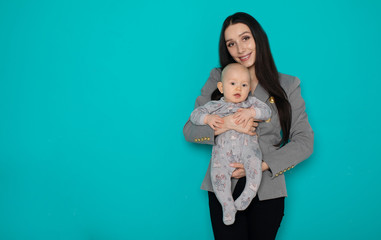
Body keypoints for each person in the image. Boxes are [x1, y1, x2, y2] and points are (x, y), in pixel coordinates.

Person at [183, 12, 314, 240]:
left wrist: (261, 165)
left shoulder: (288, 85)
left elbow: (305, 141)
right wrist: (226, 124)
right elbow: (189, 129)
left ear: (258, 38)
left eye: (245, 38)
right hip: (223, 184)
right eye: (231, 44)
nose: (240, 49)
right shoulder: (218, 78)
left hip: (267, 190)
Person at [190, 63, 271, 225]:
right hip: (222, 157)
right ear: (221, 87)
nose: (238, 89)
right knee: (218, 178)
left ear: (249, 89)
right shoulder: (214, 106)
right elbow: (195, 115)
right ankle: (227, 206)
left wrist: (251, 112)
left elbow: (266, 111)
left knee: (255, 166)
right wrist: (207, 119)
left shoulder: (251, 103)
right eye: (232, 83)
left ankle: (249, 193)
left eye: (244, 85)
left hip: (249, 151)